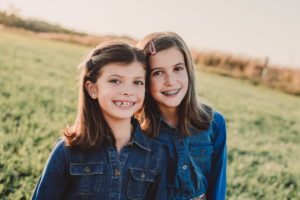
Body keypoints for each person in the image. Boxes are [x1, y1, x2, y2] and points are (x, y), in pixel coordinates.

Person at [31, 41, 167, 200]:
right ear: (92, 89)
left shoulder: (155, 154)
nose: (128, 91)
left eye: (137, 82)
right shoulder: (68, 150)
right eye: (115, 81)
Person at [137, 32, 227, 200]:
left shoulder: (214, 123)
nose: (170, 80)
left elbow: (218, 185)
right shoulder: (135, 128)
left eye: (178, 69)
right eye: (157, 72)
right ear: (144, 81)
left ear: (188, 71)